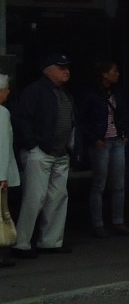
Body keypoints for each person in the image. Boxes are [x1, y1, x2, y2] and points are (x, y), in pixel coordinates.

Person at [10, 54, 75, 258]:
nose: (66, 71)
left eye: (67, 67)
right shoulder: (35, 91)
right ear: (47, 69)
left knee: (57, 197)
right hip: (41, 151)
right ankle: (22, 243)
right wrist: (32, 145)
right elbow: (23, 120)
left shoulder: (64, 93)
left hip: (59, 152)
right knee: (34, 197)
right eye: (61, 67)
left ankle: (51, 241)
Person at [78, 59, 129, 238]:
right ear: (104, 74)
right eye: (114, 71)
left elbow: (124, 114)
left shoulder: (117, 93)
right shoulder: (92, 95)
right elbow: (81, 120)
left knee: (118, 184)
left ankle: (118, 221)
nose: (117, 74)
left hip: (117, 140)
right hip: (101, 142)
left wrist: (125, 134)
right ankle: (98, 224)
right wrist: (94, 139)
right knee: (99, 184)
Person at [0, 73, 19, 267]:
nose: (8, 92)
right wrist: (2, 176)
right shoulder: (2, 113)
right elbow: (3, 145)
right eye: (6, 89)